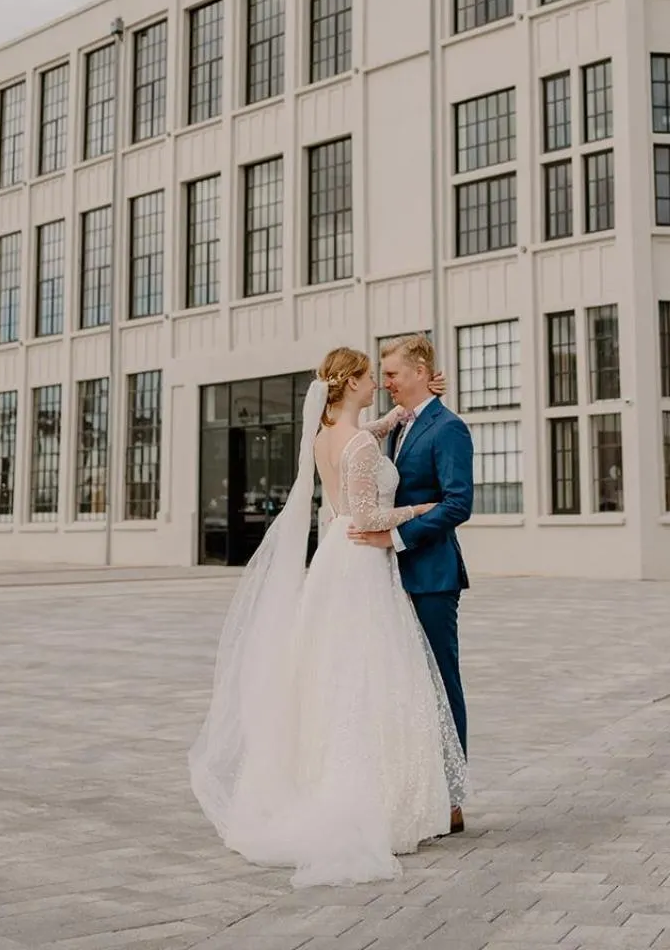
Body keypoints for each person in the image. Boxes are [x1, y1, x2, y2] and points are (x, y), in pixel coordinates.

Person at [188, 348, 469, 888]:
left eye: (388, 376)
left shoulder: (325, 436)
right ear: (354, 383)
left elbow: (375, 434)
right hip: (364, 558)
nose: (379, 385)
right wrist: (420, 509)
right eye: (373, 377)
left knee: (332, 676)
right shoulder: (361, 442)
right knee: (374, 675)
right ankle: (390, 794)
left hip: (334, 561)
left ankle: (329, 782)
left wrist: (419, 404)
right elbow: (367, 516)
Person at [348, 333, 474, 834]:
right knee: (407, 690)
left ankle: (453, 799)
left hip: (431, 575)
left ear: (422, 370)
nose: (389, 384)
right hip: (391, 580)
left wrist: (396, 537)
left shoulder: (449, 428)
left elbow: (457, 503)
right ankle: (417, 791)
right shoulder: (403, 425)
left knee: (442, 685)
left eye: (395, 374)